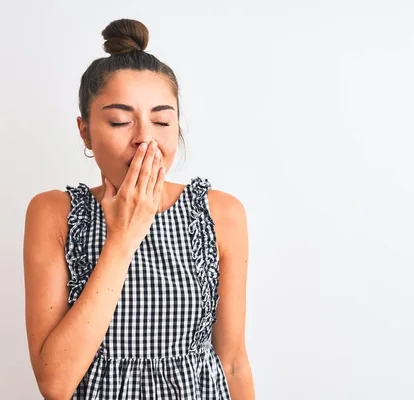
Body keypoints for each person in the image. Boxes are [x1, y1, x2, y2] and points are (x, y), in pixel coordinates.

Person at [23, 18, 255, 400]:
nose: (144, 139)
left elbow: (232, 360)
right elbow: (55, 384)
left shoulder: (221, 213)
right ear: (85, 131)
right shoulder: (54, 213)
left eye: (162, 120)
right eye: (119, 121)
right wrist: (123, 236)